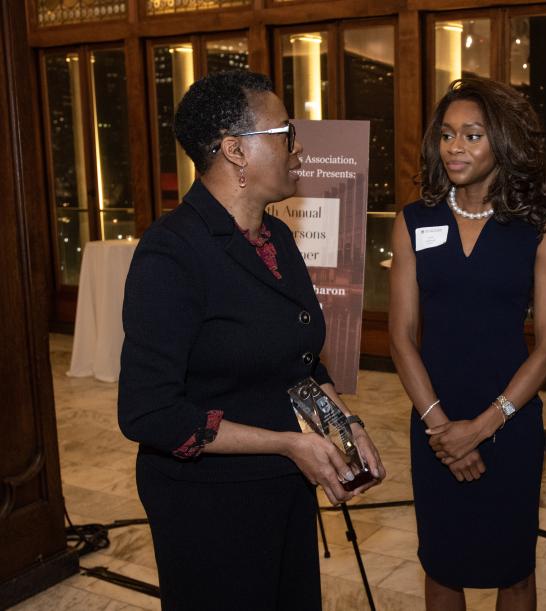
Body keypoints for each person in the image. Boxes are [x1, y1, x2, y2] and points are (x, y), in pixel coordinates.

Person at [118, 70, 385, 610]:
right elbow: (148, 412)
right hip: (208, 504)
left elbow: (296, 363)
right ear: (235, 150)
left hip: (281, 488)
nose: (298, 144)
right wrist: (290, 442)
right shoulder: (171, 253)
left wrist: (344, 428)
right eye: (285, 131)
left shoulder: (277, 237)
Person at [389, 77, 546, 610]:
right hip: (434, 421)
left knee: (513, 570)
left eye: (472, 135)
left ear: (503, 144)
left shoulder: (541, 226)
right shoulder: (414, 220)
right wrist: (443, 430)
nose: (455, 147)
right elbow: (400, 338)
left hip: (508, 424)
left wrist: (484, 427)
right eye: (447, 135)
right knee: (443, 567)